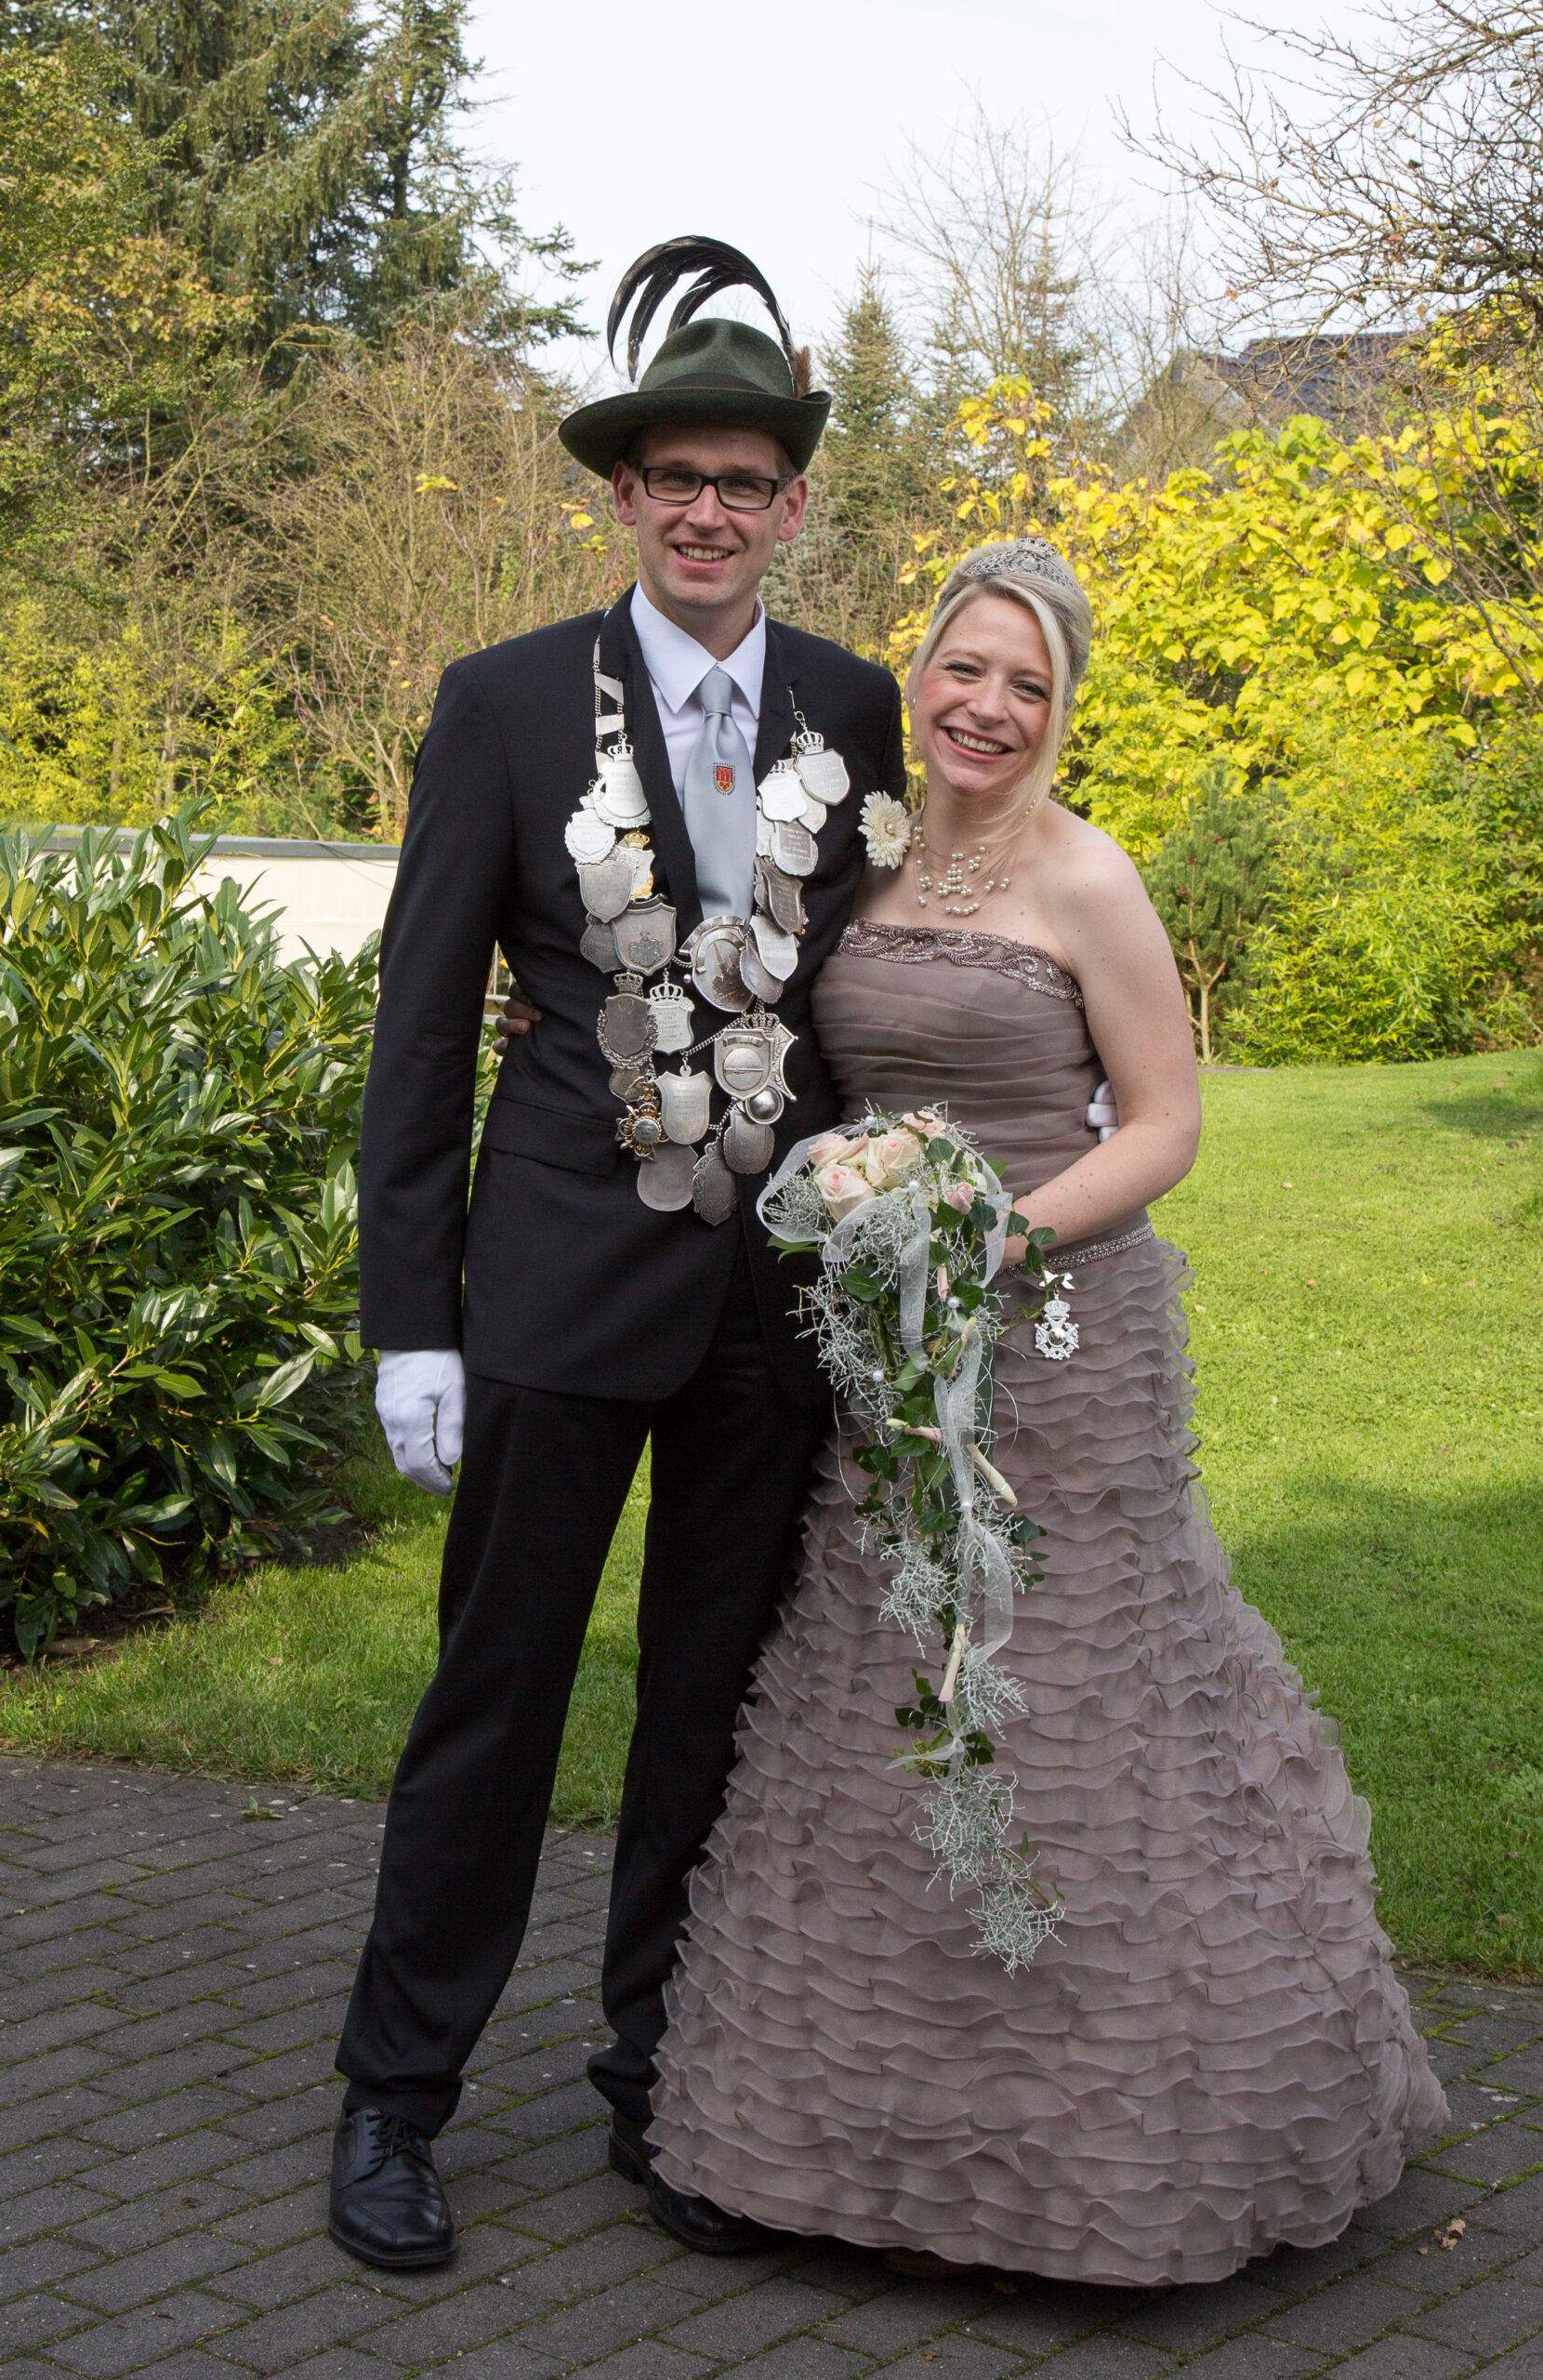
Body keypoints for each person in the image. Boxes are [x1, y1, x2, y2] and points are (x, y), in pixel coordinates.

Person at [643, 538, 1450, 2287]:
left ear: (1062, 709)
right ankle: (845, 2154)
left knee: (1075, 1705)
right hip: (891, 1351)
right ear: (918, 672)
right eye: (965, 668)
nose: (988, 706)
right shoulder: (861, 857)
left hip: (1063, 1349)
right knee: (884, 1692)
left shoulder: (1090, 878)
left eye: (1028, 684)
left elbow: (1163, 1125)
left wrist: (995, 1235)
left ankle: (1122, 2160)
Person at [329, 239, 909, 2269]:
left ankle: (665, 2085)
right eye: (674, 477)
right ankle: (394, 2099)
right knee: (492, 1705)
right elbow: (421, 1026)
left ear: (791, 505)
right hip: (557, 1291)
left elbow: (875, 987)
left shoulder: (854, 705)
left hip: (773, 1314)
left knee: (705, 1718)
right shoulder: (501, 703)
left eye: (743, 482)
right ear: (621, 494)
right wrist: (411, 1319)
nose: (706, 511)